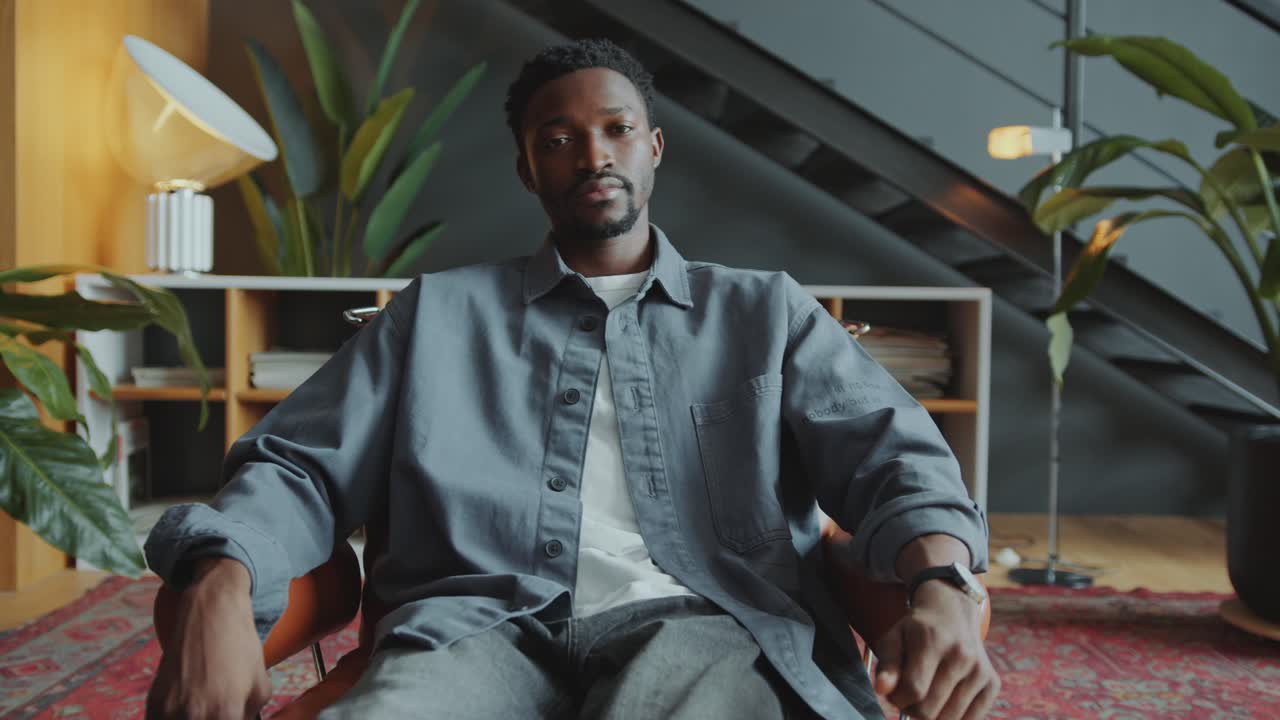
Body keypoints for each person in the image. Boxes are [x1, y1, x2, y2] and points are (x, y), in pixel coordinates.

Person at [145, 38, 997, 720]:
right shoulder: (435, 316)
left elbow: (893, 455)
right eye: (558, 139)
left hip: (700, 626)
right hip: (472, 629)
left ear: (653, 147)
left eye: (616, 129)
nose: (593, 154)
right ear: (527, 168)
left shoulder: (764, 313)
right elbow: (296, 466)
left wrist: (944, 582)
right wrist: (219, 576)